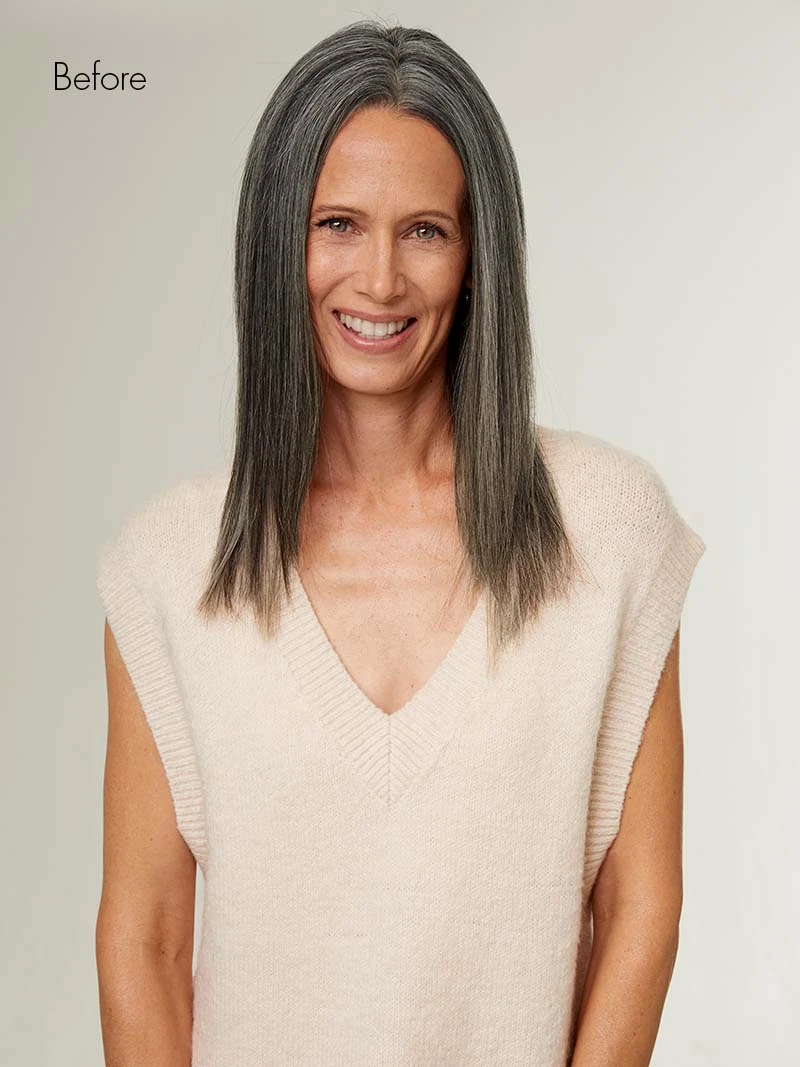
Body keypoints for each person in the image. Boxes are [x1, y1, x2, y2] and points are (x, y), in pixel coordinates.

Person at [94, 19, 706, 1067]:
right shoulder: (169, 567)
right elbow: (143, 943)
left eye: (424, 230)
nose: (378, 280)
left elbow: (638, 908)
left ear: (476, 259)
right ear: (278, 243)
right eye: (337, 223)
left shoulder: (608, 532)